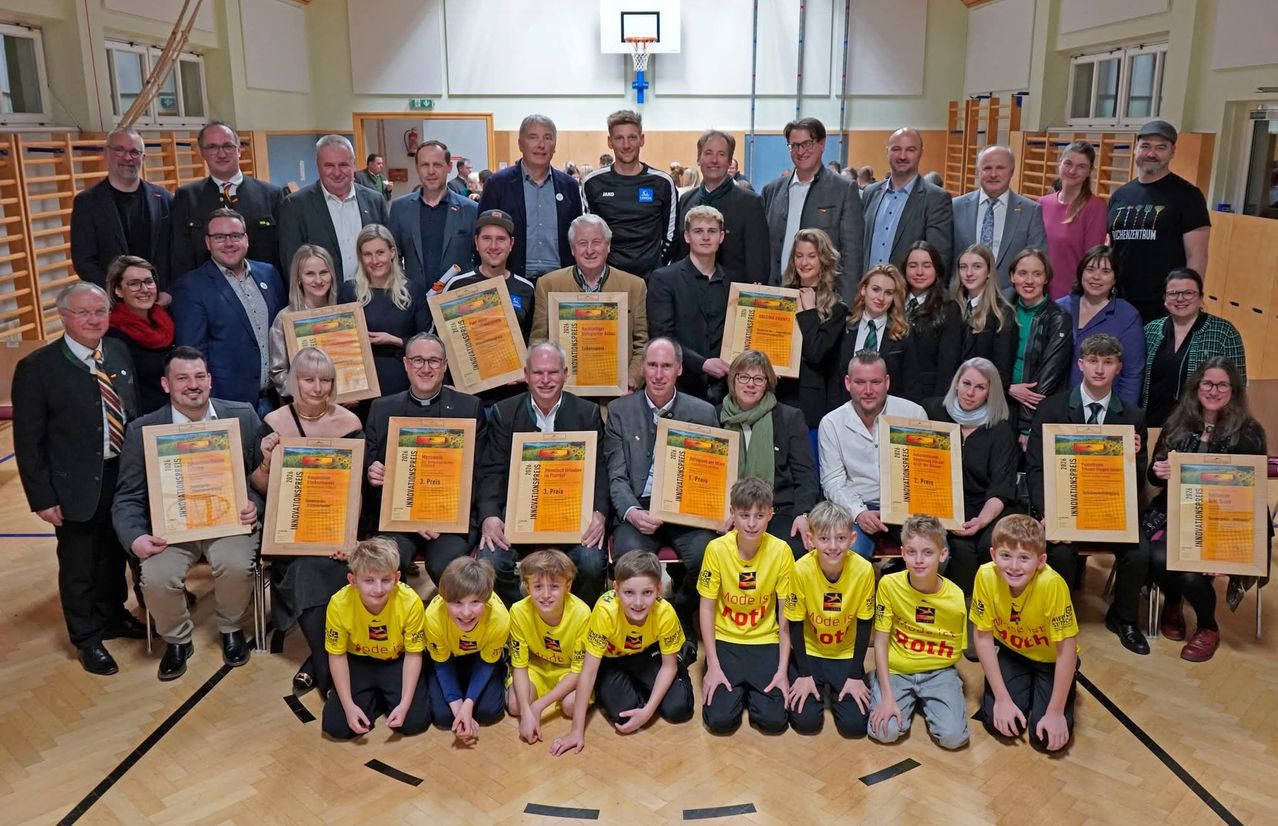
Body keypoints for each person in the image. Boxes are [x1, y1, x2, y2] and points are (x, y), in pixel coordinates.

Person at [13, 282, 142, 675]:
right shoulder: (38, 369)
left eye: (100, 311)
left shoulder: (118, 351)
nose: (93, 320)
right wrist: (41, 497)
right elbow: (29, 443)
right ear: (63, 316)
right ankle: (86, 637)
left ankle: (113, 613)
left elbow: (131, 413)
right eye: (83, 313)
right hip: (73, 485)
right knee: (79, 562)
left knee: (114, 553)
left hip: (120, 475)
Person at [111, 346, 262, 680]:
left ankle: (231, 628)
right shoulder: (142, 431)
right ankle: (177, 639)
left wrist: (255, 505)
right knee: (157, 577)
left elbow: (261, 477)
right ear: (166, 384)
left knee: (236, 564)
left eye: (199, 376)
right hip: (173, 529)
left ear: (209, 380)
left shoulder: (242, 416)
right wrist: (135, 538)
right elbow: (127, 497)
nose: (192, 384)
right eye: (182, 378)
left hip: (229, 523)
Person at [1027, 333, 1151, 655]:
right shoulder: (1052, 408)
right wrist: (1047, 514)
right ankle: (1060, 617)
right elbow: (1037, 469)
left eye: (1107, 362)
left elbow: (1137, 477)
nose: (1099, 369)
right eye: (1093, 361)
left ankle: (1123, 619)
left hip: (1108, 508)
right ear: (1081, 364)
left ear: (1119, 368)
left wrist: (1134, 455)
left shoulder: (1133, 417)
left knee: (1139, 552)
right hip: (1063, 505)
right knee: (1062, 552)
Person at [256, 347, 362, 696]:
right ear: (292, 381)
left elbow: (357, 489)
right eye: (309, 379)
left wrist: (349, 538)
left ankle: (320, 663)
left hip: (336, 531)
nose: (317, 388)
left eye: (325, 380)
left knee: (316, 570)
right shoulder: (273, 423)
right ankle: (328, 664)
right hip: (290, 531)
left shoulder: (350, 424)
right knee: (303, 568)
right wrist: (268, 461)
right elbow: (259, 487)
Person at [1147, 358, 1266, 662]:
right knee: (1157, 555)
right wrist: (1158, 470)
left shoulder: (1249, 432)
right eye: (1207, 383)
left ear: (1234, 390)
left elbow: (1248, 493)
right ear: (1196, 387)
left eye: (1222, 384)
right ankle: (1172, 604)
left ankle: (1207, 627)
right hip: (1174, 513)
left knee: (1189, 570)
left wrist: (1224, 549)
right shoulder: (1177, 422)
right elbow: (1152, 473)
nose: (1213, 390)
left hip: (1225, 521)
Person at [476, 343, 609, 607]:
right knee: (490, 562)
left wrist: (599, 513)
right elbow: (491, 470)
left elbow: (600, 471)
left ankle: (577, 623)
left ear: (565, 374)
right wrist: (490, 516)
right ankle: (522, 620)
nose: (545, 380)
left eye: (553, 372)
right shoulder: (504, 412)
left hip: (571, 513)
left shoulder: (588, 413)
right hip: (518, 514)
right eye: (538, 373)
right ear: (526, 374)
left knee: (592, 563)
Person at [605, 338, 718, 637]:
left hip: (686, 511)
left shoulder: (704, 412)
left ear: (679, 369)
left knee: (709, 554)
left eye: (666, 366)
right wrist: (630, 512)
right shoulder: (619, 411)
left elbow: (712, 475)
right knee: (630, 561)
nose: (658, 374)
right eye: (652, 365)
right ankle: (642, 631)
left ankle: (680, 610)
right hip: (638, 507)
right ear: (642, 367)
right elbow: (615, 476)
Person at [364, 333, 485, 583]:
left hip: (451, 522)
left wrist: (440, 514)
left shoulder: (469, 408)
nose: (426, 368)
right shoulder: (382, 409)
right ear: (406, 364)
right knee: (384, 565)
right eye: (418, 360)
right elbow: (371, 469)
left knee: (447, 568)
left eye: (434, 361)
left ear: (445, 366)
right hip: (398, 521)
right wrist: (372, 474)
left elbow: (479, 473)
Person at [549, 551, 694, 755]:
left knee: (679, 709)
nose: (638, 603)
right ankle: (637, 687)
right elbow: (589, 672)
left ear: (659, 589)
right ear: (616, 589)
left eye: (647, 593)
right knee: (624, 716)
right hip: (612, 660)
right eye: (629, 593)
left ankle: (680, 659)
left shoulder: (665, 612)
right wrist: (576, 731)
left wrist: (648, 711)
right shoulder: (605, 611)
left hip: (647, 654)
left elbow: (668, 667)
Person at [970, 514, 1078, 753]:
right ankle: (1018, 691)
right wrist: (1002, 699)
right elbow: (983, 637)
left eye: (1024, 558)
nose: (1014, 566)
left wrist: (1056, 712)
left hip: (1051, 660)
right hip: (1012, 652)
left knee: (1046, 740)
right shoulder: (985, 575)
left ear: (1040, 561)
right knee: (1001, 726)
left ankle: (1059, 691)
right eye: (1006, 556)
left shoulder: (1052, 585)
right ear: (993, 554)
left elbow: (1067, 651)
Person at [699, 477, 797, 735]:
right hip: (726, 640)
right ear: (732, 513)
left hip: (764, 641)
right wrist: (713, 665)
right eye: (744, 515)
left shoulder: (782, 551)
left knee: (774, 722)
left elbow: (786, 613)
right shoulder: (715, 549)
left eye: (759, 515)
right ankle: (737, 692)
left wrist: (782, 670)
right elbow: (707, 609)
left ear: (770, 515)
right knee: (719, 722)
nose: (752, 523)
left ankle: (747, 692)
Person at [867, 515, 969, 750]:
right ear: (902, 553)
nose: (919, 560)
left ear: (942, 554)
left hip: (938, 671)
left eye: (927, 552)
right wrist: (888, 696)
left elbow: (955, 653)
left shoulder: (954, 598)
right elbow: (880, 643)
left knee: (953, 738)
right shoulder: (889, 585)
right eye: (912, 552)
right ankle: (878, 683)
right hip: (898, 670)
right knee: (884, 732)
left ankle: (933, 699)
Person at [171, 208, 286, 410]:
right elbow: (193, 354)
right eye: (219, 237)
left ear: (246, 238)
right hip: (227, 405)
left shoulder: (268, 273)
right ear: (208, 242)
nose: (229, 243)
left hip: (278, 401)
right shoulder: (191, 286)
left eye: (235, 235)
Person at [921, 358, 1019, 597]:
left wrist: (982, 520)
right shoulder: (931, 413)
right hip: (943, 504)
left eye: (980, 387)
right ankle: (963, 612)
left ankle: (994, 611)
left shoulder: (1001, 429)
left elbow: (1001, 487)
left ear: (990, 392)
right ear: (956, 383)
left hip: (988, 505)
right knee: (960, 549)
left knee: (990, 546)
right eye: (966, 384)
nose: (970, 393)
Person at [818, 350, 926, 559]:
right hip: (858, 505)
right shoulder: (831, 423)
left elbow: (923, 473)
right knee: (851, 554)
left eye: (875, 382)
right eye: (860, 382)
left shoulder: (913, 414)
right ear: (848, 383)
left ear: (887, 382)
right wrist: (858, 512)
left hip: (906, 508)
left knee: (933, 550)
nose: (868, 390)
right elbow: (833, 481)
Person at [322, 537, 430, 740]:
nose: (378, 589)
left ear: (397, 577)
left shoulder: (410, 602)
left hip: (396, 660)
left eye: (386, 580)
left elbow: (414, 654)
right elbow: (336, 656)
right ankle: (376, 697)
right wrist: (348, 706)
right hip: (359, 661)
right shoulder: (338, 604)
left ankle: (384, 696)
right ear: (353, 580)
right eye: (369, 581)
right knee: (336, 727)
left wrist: (405, 704)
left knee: (414, 722)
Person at [783, 501, 875, 738]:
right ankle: (818, 685)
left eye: (841, 538)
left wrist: (855, 674)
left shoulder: (864, 571)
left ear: (852, 539)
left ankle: (846, 685)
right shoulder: (801, 570)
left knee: (854, 728)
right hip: (810, 653)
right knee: (806, 724)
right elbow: (794, 621)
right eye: (824, 539)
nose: (833, 547)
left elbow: (865, 624)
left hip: (844, 653)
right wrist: (804, 674)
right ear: (811, 540)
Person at [1107, 120, 1211, 324]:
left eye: (1160, 148)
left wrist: (1188, 303)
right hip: (1120, 302)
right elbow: (1111, 246)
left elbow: (1197, 255)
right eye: (1145, 146)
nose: (1151, 154)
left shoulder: (1188, 196)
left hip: (1163, 305)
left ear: (1172, 152)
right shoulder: (1120, 195)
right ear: (1136, 149)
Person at [531, 214, 649, 390]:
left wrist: (632, 379)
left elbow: (642, 344)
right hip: (564, 396)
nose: (589, 250)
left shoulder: (634, 286)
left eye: (596, 242)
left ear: (608, 245)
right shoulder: (548, 285)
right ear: (572, 249)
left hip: (616, 397)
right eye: (582, 243)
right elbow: (538, 343)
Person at [718, 351, 817, 559]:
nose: (750, 384)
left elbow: (806, 476)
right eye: (743, 377)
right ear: (732, 380)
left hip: (778, 508)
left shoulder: (789, 418)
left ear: (768, 383)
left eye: (758, 379)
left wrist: (803, 514)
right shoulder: (715, 417)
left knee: (794, 549)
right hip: (730, 510)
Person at [761, 117, 865, 300]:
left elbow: (852, 255)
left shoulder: (844, 190)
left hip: (823, 300)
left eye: (807, 144)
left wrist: (846, 306)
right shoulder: (772, 191)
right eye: (794, 146)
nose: (800, 151)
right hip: (777, 297)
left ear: (822, 144)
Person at [647, 205, 740, 403]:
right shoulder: (664, 279)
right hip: (682, 387)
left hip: (727, 391)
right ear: (687, 237)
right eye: (698, 231)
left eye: (712, 231)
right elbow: (663, 336)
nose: (705, 237)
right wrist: (702, 364)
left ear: (721, 237)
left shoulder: (735, 282)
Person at [477, 114, 584, 281]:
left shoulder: (569, 186)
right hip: (511, 281)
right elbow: (482, 234)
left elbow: (577, 237)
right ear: (520, 144)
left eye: (547, 138)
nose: (541, 145)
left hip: (560, 281)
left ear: (554, 146)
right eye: (533, 137)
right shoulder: (498, 184)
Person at [171, 121, 285, 275]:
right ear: (202, 153)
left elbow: (283, 251)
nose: (221, 154)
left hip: (263, 288)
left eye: (228, 146)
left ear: (239, 150)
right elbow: (180, 255)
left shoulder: (271, 195)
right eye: (212, 147)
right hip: (207, 291)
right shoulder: (186, 197)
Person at [1140, 268, 1246, 428]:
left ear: (1201, 297)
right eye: (1173, 293)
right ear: (1165, 298)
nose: (1180, 298)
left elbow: (1238, 386)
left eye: (1188, 293)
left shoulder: (1224, 332)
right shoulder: (1151, 330)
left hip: (1202, 427)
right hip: (1152, 422)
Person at [338, 224, 431, 402]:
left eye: (380, 252)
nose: (375, 260)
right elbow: (340, 346)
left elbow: (427, 341)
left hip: (402, 381)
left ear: (392, 252)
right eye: (367, 254)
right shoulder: (349, 291)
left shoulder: (413, 291)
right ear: (361, 257)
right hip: (361, 385)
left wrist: (394, 340)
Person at [506, 550, 592, 744]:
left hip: (569, 672)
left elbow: (580, 671)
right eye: (537, 586)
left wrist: (537, 707)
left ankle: (552, 699)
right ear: (527, 587)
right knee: (515, 706)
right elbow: (519, 665)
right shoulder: (518, 611)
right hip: (537, 668)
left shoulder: (582, 613)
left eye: (554, 586)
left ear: (568, 586)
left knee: (571, 706)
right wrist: (527, 712)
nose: (545, 595)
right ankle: (536, 703)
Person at [71, 128, 173, 291]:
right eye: (119, 150)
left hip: (160, 298)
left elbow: (176, 253)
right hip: (116, 302)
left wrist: (167, 291)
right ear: (106, 153)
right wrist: (117, 292)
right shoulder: (87, 203)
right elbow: (84, 261)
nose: (127, 157)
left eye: (134, 152)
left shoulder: (165, 199)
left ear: (143, 158)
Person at [278, 134, 389, 284]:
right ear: (318, 166)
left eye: (343, 165)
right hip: (323, 302)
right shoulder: (295, 205)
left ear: (354, 164)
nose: (337, 173)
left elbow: (388, 252)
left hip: (372, 296)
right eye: (329, 165)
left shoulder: (375, 200)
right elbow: (291, 263)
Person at [581, 110, 678, 278]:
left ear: (642, 140)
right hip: (608, 279)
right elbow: (589, 233)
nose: (626, 145)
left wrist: (655, 268)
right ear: (610, 142)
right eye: (619, 138)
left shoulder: (662, 182)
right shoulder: (592, 183)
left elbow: (671, 235)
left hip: (651, 279)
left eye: (632, 137)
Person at [424, 557, 510, 746]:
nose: (466, 613)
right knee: (443, 718)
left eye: (475, 602)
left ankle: (503, 668)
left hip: (481, 658)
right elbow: (442, 663)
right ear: (444, 599)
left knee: (489, 712)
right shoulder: (433, 617)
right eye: (457, 603)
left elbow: (485, 663)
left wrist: (468, 704)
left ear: (487, 599)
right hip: (448, 659)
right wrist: (458, 710)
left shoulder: (500, 619)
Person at [776, 228, 850, 440]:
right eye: (799, 256)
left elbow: (817, 352)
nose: (804, 263)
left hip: (809, 405)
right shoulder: (783, 295)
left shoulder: (837, 307)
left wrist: (808, 311)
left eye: (811, 256)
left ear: (824, 260)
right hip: (777, 396)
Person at [670, 130, 769, 285]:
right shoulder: (686, 200)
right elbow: (680, 254)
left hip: (731, 299)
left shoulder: (750, 203)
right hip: (688, 296)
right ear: (698, 158)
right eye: (708, 153)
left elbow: (758, 263)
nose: (714, 160)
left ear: (730, 161)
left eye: (721, 154)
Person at [951, 145, 1047, 294]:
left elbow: (1037, 262)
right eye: (987, 168)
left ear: (1012, 171)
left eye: (1000, 168)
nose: (993, 174)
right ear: (978, 172)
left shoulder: (1030, 211)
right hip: (961, 300)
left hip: (1009, 302)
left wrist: (1008, 298)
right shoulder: (955, 207)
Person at [1057, 245, 1145, 403]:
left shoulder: (1127, 316)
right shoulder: (1059, 308)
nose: (1096, 277)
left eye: (1105, 271)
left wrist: (1122, 416)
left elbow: (1132, 374)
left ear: (1115, 279)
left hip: (1105, 408)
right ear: (1081, 273)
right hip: (1058, 406)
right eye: (1090, 269)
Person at [388, 140, 479, 291]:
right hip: (414, 304)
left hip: (456, 304)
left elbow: (479, 260)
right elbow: (393, 257)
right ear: (417, 167)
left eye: (437, 165)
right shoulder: (400, 208)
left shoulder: (471, 210)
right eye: (425, 165)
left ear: (449, 167)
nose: (431, 171)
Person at [862, 128, 954, 272]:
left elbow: (938, 260)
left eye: (910, 150)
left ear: (921, 153)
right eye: (896, 149)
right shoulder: (870, 192)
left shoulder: (936, 199)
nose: (903, 156)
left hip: (906, 292)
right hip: (867, 291)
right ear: (887, 152)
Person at [1006, 247, 1071, 437]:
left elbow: (1048, 377)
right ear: (1012, 277)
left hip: (1035, 416)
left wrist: (1027, 427)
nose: (1029, 281)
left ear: (1046, 278)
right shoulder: (1003, 312)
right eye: (1022, 273)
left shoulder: (1058, 318)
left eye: (1037, 274)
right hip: (1002, 405)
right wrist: (1007, 387)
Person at [445, 209, 536, 341]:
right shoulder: (457, 285)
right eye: (486, 238)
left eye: (501, 239)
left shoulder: (526, 289)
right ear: (476, 242)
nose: (493, 246)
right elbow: (441, 337)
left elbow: (531, 338)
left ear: (511, 244)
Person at [894, 241, 962, 402]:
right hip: (891, 390)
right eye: (912, 265)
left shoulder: (949, 308)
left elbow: (948, 365)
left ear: (937, 269)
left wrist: (937, 403)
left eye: (926, 265)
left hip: (927, 395)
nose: (919, 272)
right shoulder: (893, 302)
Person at [267, 245, 339, 399]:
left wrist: (353, 391)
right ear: (298, 278)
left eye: (324, 272)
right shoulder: (284, 318)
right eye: (310, 274)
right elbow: (278, 372)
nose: (318, 280)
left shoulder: (344, 313)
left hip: (345, 408)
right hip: (302, 409)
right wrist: (309, 395)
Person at [105, 255, 173, 413]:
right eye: (134, 284)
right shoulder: (111, 334)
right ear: (118, 290)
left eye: (149, 282)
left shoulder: (169, 319)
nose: (144, 289)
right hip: (142, 419)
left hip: (179, 413)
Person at [1040, 141, 1106, 301]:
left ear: (1089, 171)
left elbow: (1091, 261)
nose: (1072, 170)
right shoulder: (1042, 203)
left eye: (1081, 166)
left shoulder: (1095, 208)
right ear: (1059, 164)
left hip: (1070, 298)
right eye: (1068, 163)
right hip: (1037, 294)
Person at [953, 244, 1017, 389]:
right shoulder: (953, 308)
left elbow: (1002, 370)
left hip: (985, 398)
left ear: (989, 271)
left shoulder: (1002, 313)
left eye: (977, 266)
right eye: (963, 267)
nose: (969, 273)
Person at [837, 264, 909, 377]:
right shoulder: (843, 328)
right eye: (876, 289)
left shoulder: (903, 335)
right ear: (863, 290)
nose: (881, 298)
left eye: (888, 293)